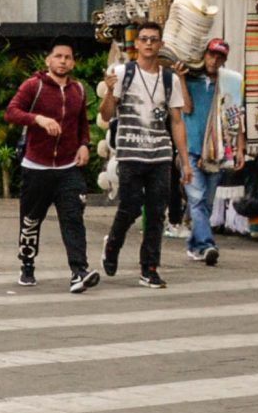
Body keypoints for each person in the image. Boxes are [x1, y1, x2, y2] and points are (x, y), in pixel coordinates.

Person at [99, 20, 190, 288]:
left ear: (160, 45)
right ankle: (113, 245)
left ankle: (149, 267)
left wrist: (185, 161)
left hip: (160, 156)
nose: (149, 43)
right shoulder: (121, 72)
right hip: (130, 152)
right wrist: (108, 92)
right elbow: (106, 115)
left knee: (156, 211)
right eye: (144, 39)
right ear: (136, 44)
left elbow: (176, 121)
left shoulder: (169, 78)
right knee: (129, 207)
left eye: (154, 39)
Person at [3, 41, 95, 290]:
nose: (63, 61)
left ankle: (79, 271)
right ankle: (27, 266)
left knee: (73, 218)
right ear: (48, 61)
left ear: (73, 62)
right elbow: (11, 112)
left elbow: (82, 124)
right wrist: (38, 119)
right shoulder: (35, 85)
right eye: (58, 56)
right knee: (31, 220)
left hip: (68, 168)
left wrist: (85, 144)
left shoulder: (79, 90)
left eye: (68, 57)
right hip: (37, 167)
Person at [180, 39, 243, 264]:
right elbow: (186, 108)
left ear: (224, 60)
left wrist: (240, 149)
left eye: (219, 57)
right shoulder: (190, 80)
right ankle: (207, 246)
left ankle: (194, 244)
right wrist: (180, 78)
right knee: (197, 200)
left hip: (217, 153)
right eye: (211, 55)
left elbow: (236, 117)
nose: (214, 60)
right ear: (204, 55)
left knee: (206, 202)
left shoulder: (230, 84)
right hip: (191, 150)